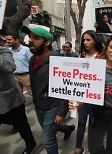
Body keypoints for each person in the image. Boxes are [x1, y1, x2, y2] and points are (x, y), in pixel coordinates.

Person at [70, 35, 112, 154]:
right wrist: (78, 104)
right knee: (94, 148)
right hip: (98, 112)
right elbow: (87, 90)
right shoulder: (95, 66)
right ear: (107, 48)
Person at [21, 25, 73, 154]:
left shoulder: (58, 60)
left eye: (36, 38)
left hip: (53, 105)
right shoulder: (32, 59)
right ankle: (67, 129)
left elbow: (65, 86)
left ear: (47, 42)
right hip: (39, 105)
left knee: (47, 140)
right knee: (51, 127)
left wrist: (61, 112)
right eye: (30, 37)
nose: (30, 40)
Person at [73, 30, 104, 154]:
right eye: (84, 40)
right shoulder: (81, 56)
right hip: (83, 95)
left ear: (95, 40)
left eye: (88, 40)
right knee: (81, 122)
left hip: (97, 97)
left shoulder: (103, 56)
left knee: (96, 124)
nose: (85, 43)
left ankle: (98, 146)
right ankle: (78, 147)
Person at [0, 47, 36, 154]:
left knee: (22, 124)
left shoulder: (4, 51)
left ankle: (30, 144)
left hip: (12, 99)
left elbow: (10, 67)